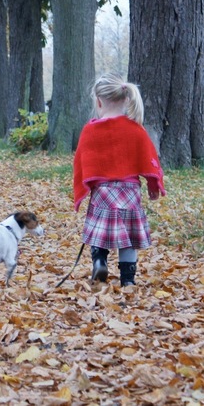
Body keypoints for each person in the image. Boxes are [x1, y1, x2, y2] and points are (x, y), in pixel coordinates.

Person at [73, 73, 166, 287]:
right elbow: (149, 158)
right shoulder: (136, 129)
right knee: (128, 239)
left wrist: (82, 189)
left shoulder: (90, 130)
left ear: (98, 101)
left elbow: (81, 162)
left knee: (99, 233)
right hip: (130, 192)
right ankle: (128, 280)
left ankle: (99, 261)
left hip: (103, 191)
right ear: (126, 99)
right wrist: (154, 185)